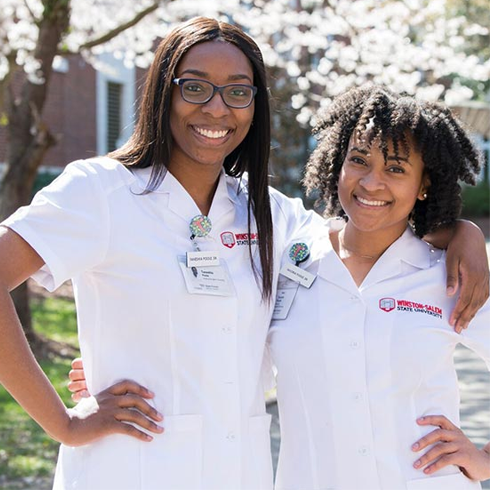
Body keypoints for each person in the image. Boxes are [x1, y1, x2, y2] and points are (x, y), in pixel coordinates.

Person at [0, 18, 488, 490]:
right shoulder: (100, 191)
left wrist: (460, 232)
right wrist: (63, 423)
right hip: (129, 473)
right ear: (163, 93)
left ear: (254, 108)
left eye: (237, 91)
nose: (217, 109)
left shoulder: (269, 216)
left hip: (239, 477)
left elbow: (364, 231)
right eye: (195, 87)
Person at [267, 86, 490, 489]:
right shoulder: (291, 256)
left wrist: (487, 460)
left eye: (396, 169)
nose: (372, 182)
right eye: (358, 160)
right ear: (337, 163)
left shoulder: (450, 276)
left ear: (424, 185)